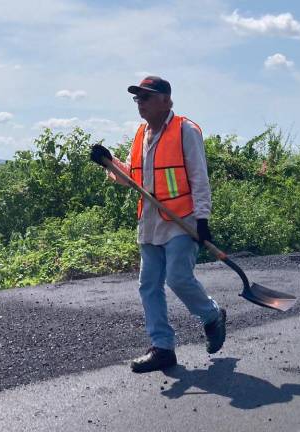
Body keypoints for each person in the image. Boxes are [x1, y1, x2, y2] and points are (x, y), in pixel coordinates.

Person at [89, 76, 226, 373]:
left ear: (165, 99)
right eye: (137, 98)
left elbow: (199, 177)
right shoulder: (141, 135)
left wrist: (203, 219)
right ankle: (162, 347)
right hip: (150, 222)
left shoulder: (185, 130)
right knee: (148, 285)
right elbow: (131, 180)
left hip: (181, 220)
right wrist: (108, 161)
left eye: (146, 97)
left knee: (177, 278)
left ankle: (212, 315)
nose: (140, 103)